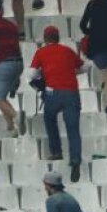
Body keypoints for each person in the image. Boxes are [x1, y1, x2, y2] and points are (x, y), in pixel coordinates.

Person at [28, 25, 87, 182]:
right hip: (71, 94)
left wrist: (45, 72)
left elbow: (32, 74)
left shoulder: (41, 52)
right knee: (73, 129)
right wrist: (71, 71)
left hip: (52, 93)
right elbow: (84, 67)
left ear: (45, 39)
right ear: (58, 37)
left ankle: (56, 151)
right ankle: (75, 160)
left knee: (49, 118)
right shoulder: (67, 51)